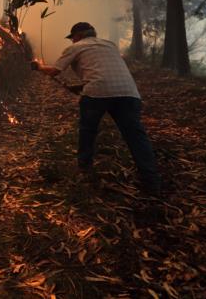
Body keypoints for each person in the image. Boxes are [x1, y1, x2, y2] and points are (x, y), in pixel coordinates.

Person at [32, 22, 161, 195]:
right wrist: (80, 86)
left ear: (77, 36)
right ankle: (151, 181)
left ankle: (84, 170)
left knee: (88, 131)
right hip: (129, 93)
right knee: (136, 136)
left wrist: (38, 66)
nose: (72, 41)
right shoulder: (110, 45)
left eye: (72, 38)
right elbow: (104, 72)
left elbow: (55, 71)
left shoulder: (76, 47)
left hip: (97, 94)